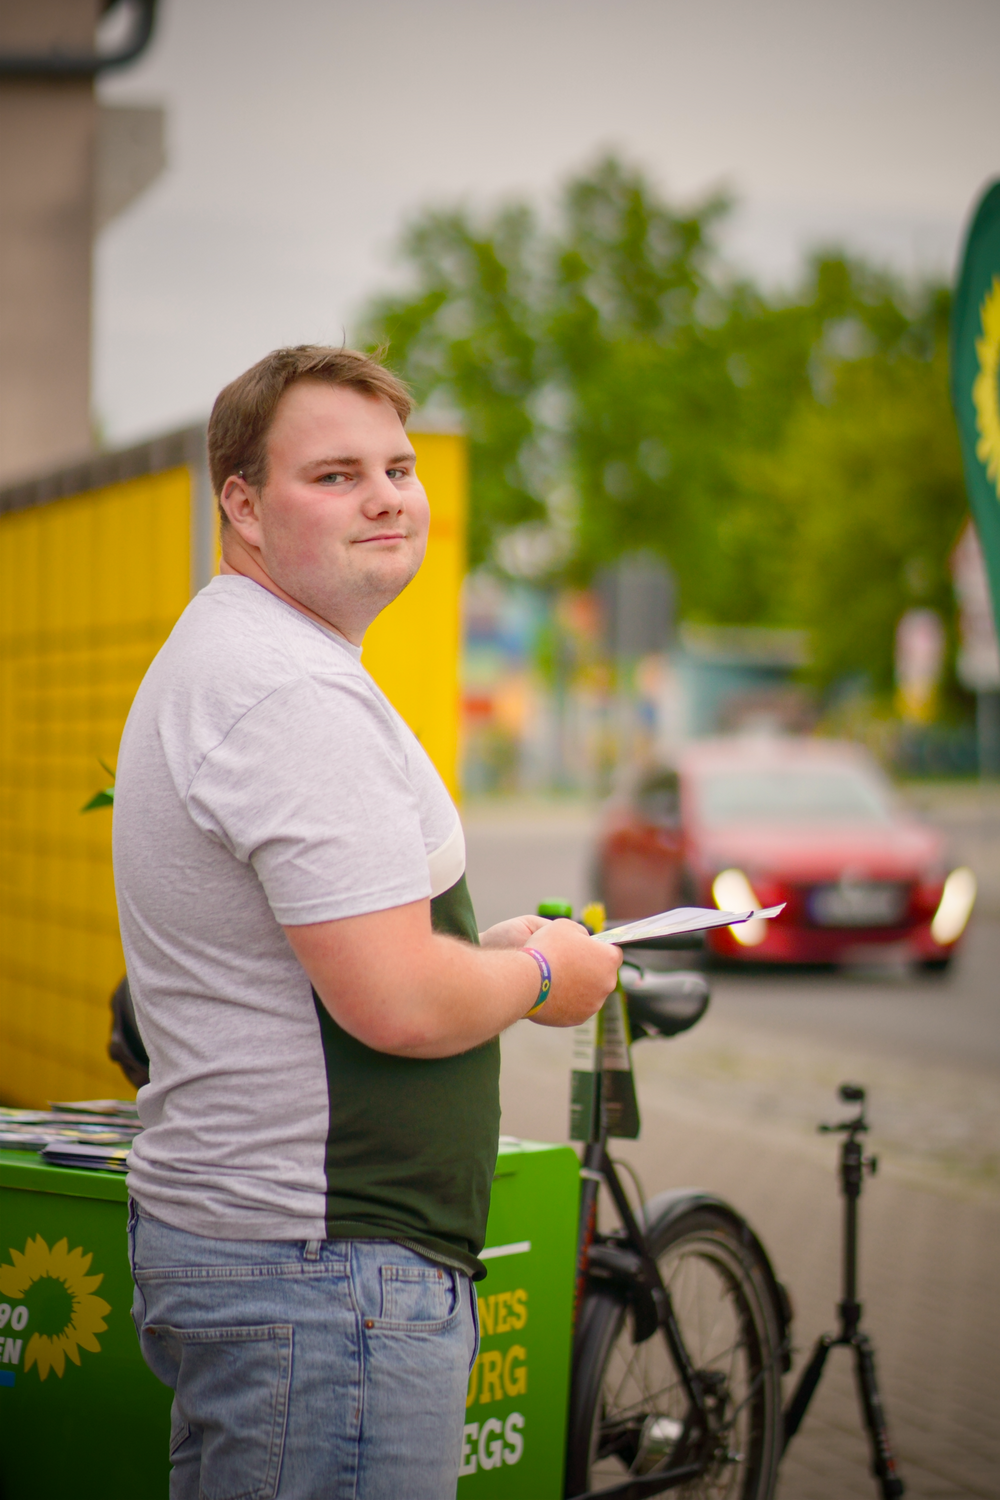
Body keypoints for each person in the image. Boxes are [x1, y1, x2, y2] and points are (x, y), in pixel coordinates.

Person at [112, 344, 622, 1500]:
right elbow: (393, 1001)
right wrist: (543, 975)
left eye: (396, 466)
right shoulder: (287, 691)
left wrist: (477, 960)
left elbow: (346, 956)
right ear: (242, 505)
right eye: (336, 475)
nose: (388, 495)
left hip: (287, 1271)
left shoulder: (256, 655)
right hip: (323, 1280)